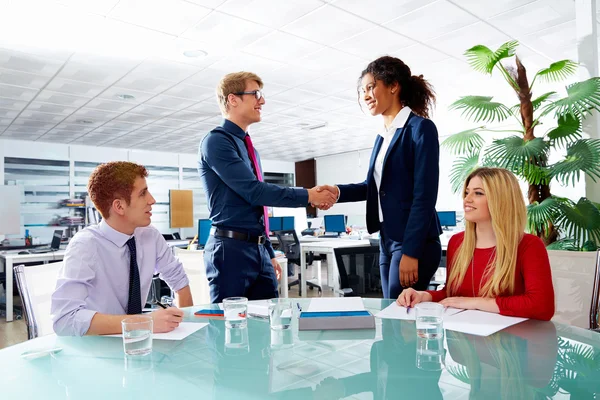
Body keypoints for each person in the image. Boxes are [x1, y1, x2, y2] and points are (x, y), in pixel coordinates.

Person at [198, 71, 337, 303]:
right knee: (230, 330)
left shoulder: (251, 150)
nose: (262, 101)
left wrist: (268, 252)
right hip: (230, 250)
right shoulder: (217, 142)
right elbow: (254, 191)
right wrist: (309, 195)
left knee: (265, 324)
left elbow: (257, 206)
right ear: (233, 99)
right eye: (256, 94)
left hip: (259, 249)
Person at [318, 55, 442, 299]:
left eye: (371, 87)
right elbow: (374, 187)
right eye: (363, 90)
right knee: (390, 312)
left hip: (413, 241)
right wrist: (337, 192)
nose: (365, 95)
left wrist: (411, 252)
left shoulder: (420, 129)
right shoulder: (382, 137)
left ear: (393, 86)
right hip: (387, 239)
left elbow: (424, 196)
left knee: (402, 314)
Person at [51, 161, 193, 336]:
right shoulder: (86, 245)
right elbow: (64, 320)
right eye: (143, 194)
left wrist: (189, 325)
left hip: (139, 341)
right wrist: (144, 322)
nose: (152, 200)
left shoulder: (150, 235)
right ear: (119, 206)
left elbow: (178, 278)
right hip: (98, 345)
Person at [397, 167, 555, 321]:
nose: (467, 199)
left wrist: (477, 302)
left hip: (508, 342)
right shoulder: (457, 242)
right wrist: (424, 295)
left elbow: (542, 307)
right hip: (463, 339)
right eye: (467, 192)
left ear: (501, 200)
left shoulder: (529, 246)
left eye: (478, 193)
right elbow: (452, 296)